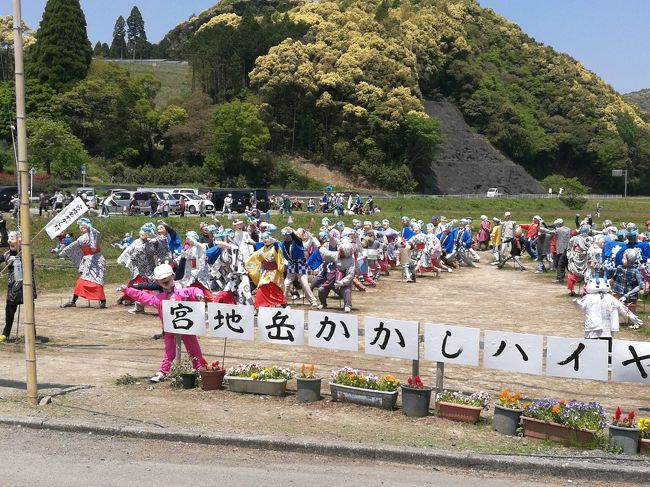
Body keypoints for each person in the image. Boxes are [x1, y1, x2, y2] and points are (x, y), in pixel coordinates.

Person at [120, 263, 205, 382]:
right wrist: (128, 290)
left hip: (186, 326)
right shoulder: (160, 298)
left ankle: (200, 368)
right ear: (158, 282)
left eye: (167, 280)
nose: (165, 283)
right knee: (169, 350)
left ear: (173, 277)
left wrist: (199, 295)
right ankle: (163, 371)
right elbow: (143, 296)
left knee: (193, 347)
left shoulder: (182, 291)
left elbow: (194, 290)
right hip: (169, 327)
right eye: (162, 281)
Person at [60, 218, 106, 309]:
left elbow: (95, 232)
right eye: (80, 226)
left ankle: (103, 301)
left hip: (96, 260)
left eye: (83, 226)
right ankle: (73, 301)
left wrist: (88, 227)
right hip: (87, 261)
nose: (81, 228)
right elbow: (72, 246)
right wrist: (63, 252)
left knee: (98, 280)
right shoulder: (81, 238)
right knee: (81, 281)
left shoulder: (94, 234)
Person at [0, 232, 36, 343]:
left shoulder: (26, 254)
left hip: (26, 286)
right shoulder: (6, 254)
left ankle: (31, 334)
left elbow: (30, 264)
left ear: (20, 241)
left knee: (29, 312)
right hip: (12, 288)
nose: (11, 242)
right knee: (9, 311)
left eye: (13, 239)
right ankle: (6, 333)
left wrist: (19, 257)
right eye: (10, 240)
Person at [246, 232, 286, 308]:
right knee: (261, 291)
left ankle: (284, 305)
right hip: (265, 274)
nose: (264, 240)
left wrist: (275, 243)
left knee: (275, 291)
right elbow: (254, 257)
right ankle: (261, 307)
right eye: (263, 238)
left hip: (274, 274)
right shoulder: (262, 249)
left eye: (266, 238)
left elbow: (279, 255)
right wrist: (246, 263)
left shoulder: (275, 248)